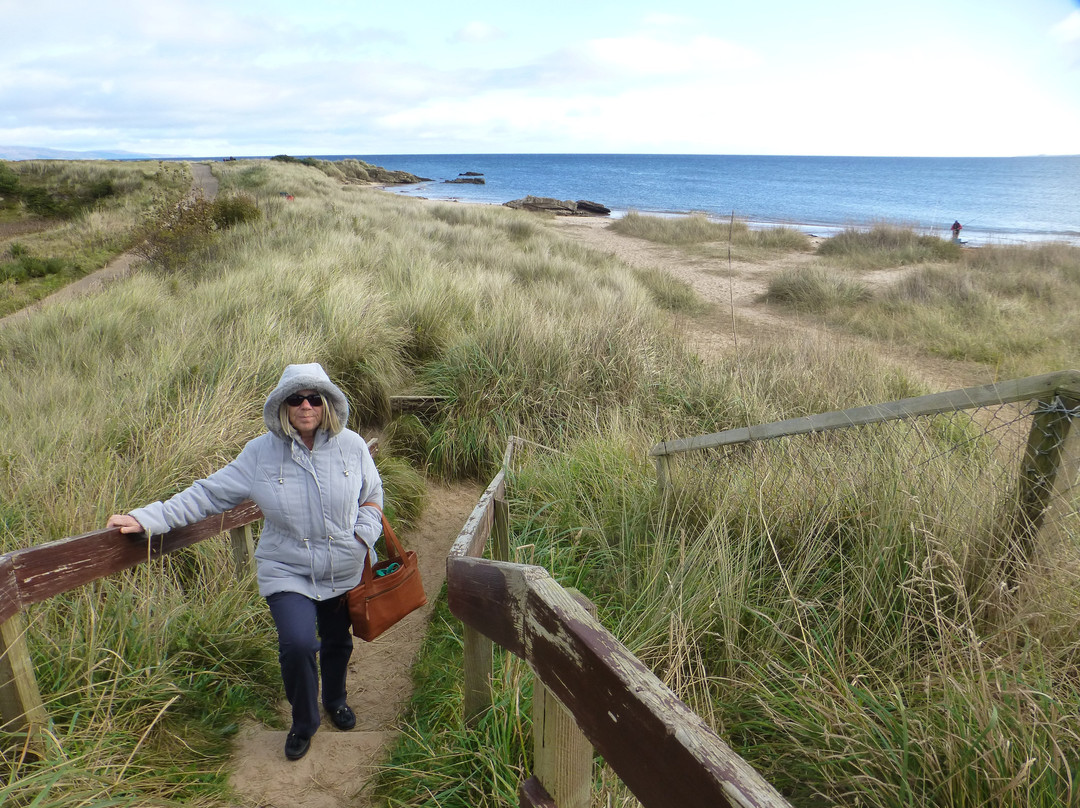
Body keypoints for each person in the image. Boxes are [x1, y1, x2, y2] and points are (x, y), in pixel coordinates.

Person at [108, 363, 383, 762]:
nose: (305, 405)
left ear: (326, 403)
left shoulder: (353, 446)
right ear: (283, 406)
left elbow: (372, 494)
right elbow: (207, 494)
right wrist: (148, 518)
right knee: (298, 643)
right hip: (286, 568)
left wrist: (363, 534)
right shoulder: (259, 454)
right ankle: (304, 722)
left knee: (338, 641)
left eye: (314, 398)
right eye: (295, 398)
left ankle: (335, 699)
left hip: (343, 566)